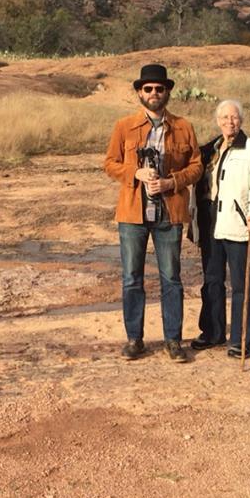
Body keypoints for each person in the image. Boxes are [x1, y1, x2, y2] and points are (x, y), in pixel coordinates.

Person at [104, 63, 203, 362]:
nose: (154, 93)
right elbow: (109, 163)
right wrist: (136, 174)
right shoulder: (124, 126)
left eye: (159, 88)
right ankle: (135, 339)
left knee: (171, 278)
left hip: (169, 212)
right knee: (132, 278)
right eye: (148, 89)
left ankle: (173, 340)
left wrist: (171, 181)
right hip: (133, 214)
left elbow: (196, 166)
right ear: (139, 92)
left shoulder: (184, 126)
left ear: (168, 91)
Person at [190, 99, 250, 358]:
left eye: (234, 117)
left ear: (241, 120)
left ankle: (240, 340)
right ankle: (213, 332)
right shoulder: (210, 149)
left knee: (240, 284)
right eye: (225, 117)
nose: (229, 121)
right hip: (211, 221)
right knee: (212, 280)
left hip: (239, 222)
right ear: (217, 120)